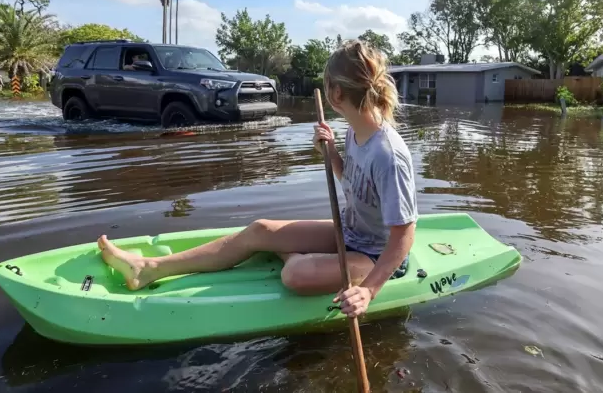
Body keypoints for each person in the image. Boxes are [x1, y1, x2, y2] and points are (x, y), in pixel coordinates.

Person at [96, 39, 417, 318]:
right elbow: (354, 184)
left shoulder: (389, 154)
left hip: (374, 255)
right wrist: (331, 152)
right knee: (260, 229)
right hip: (348, 233)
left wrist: (369, 291)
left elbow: (404, 236)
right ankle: (149, 268)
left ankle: (302, 258)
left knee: (296, 274)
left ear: (334, 93)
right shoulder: (353, 131)